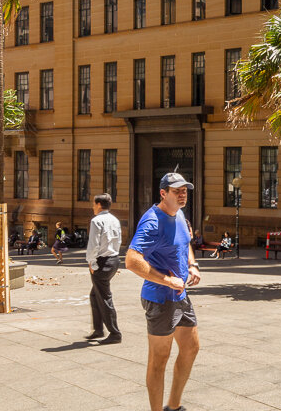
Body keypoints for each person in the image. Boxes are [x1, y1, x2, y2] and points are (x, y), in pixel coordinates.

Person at [126, 172, 201, 411]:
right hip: (159, 299)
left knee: (191, 347)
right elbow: (131, 260)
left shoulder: (178, 213)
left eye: (185, 191)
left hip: (180, 296)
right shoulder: (152, 222)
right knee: (159, 360)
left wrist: (192, 264)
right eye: (177, 190)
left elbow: (185, 241)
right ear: (163, 193)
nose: (182, 194)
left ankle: (174, 405)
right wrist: (167, 280)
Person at [87, 193, 123, 343]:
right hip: (114, 260)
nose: (93, 207)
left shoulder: (96, 221)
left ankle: (115, 333)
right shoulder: (115, 220)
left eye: (94, 204)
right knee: (95, 295)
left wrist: (92, 263)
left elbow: (93, 244)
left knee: (104, 297)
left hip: (102, 262)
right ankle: (98, 329)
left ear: (99, 205)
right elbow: (119, 240)